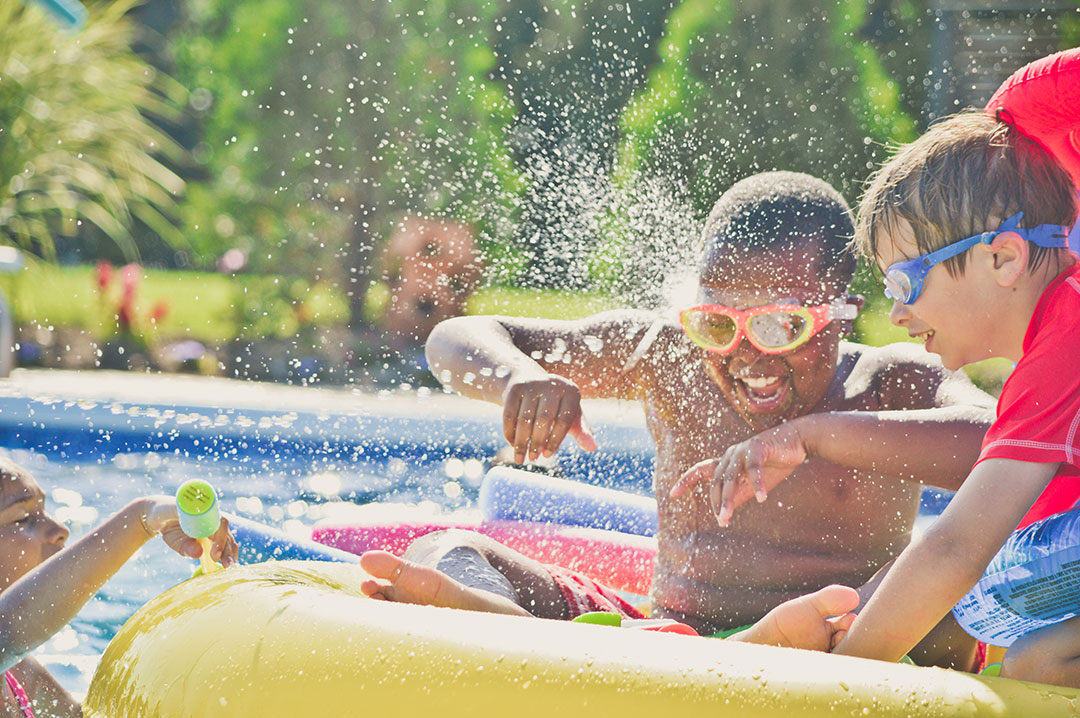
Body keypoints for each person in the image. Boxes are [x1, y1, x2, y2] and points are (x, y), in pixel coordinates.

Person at [362, 171, 996, 668]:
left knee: (948, 605)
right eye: (719, 323)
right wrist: (517, 378)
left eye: (781, 326)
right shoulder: (670, 357)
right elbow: (454, 338)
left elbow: (1005, 444)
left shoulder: (888, 384)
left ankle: (702, 652)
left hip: (830, 634)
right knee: (448, 549)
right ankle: (535, 645)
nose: (746, 354)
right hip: (667, 629)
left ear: (843, 313)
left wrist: (817, 437)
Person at [814, 110, 1079, 686]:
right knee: (1039, 659)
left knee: (993, 606)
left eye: (906, 283)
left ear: (1002, 259)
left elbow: (958, 549)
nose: (898, 312)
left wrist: (831, 687)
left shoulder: (1070, 336)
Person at [0, 458, 237, 717]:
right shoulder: (9, 645)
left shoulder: (20, 673)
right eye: (22, 519)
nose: (60, 529)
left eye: (44, 510)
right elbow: (8, 629)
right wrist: (141, 519)